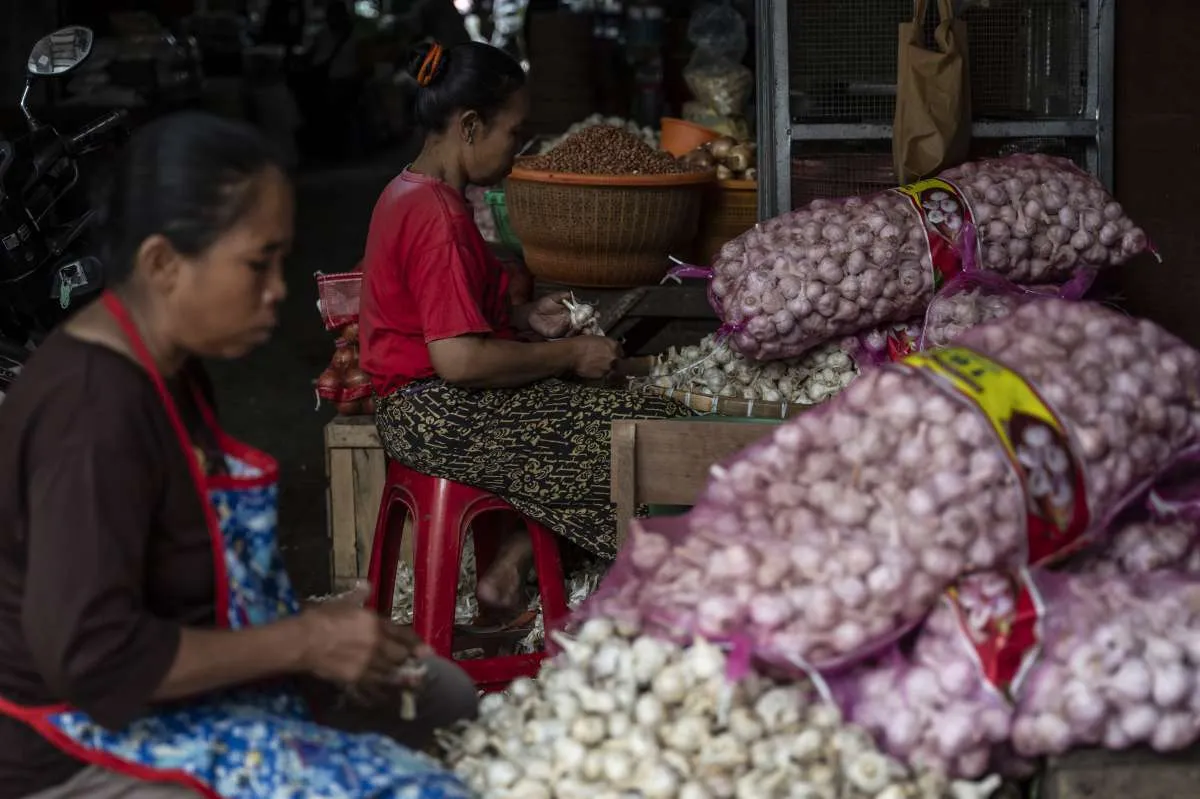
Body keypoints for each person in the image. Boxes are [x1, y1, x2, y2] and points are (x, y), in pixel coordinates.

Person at [0, 112, 476, 799]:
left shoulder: (172, 365)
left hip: (169, 679)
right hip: (74, 740)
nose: (279, 290)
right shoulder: (90, 411)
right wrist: (303, 642)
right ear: (164, 263)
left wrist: (311, 629)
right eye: (259, 264)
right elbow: (94, 659)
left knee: (443, 694)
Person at [359, 41, 691, 616]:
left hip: (418, 408)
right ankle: (662, 587)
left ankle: (512, 564)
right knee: (648, 437)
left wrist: (521, 319)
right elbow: (458, 361)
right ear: (469, 126)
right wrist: (567, 355)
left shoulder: (413, 191)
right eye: (512, 133)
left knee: (617, 418)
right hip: (436, 414)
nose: (516, 152)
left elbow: (440, 315)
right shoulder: (436, 216)